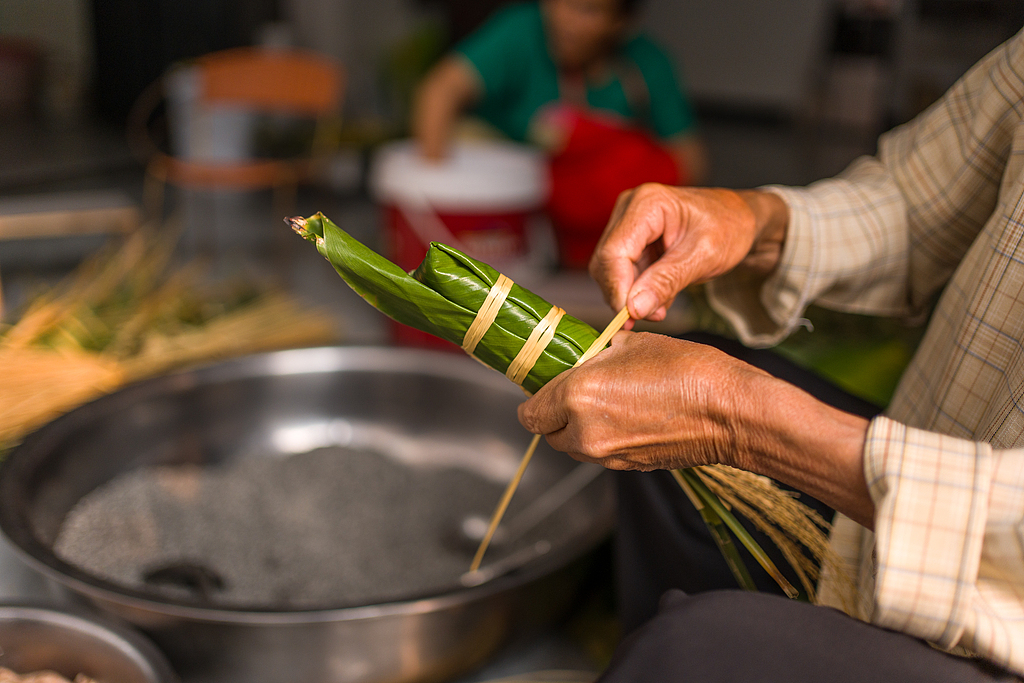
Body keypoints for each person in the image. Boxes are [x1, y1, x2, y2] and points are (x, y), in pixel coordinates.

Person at [516, 26, 1024, 682]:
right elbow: (916, 202)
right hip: (914, 475)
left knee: (690, 651)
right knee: (657, 429)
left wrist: (740, 416)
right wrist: (754, 221)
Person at [412, 0, 708, 267]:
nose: (564, 18)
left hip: (605, 222)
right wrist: (431, 190)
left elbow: (689, 162)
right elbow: (441, 90)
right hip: (520, 209)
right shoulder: (522, 30)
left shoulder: (648, 64)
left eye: (588, 10)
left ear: (619, 24)